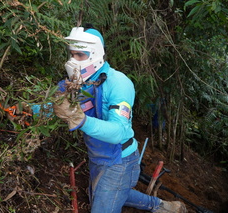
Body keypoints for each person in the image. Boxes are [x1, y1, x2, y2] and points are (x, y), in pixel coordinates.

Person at [53, 25, 187, 213]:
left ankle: (160, 206)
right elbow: (49, 105)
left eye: (79, 55)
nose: (72, 61)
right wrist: (26, 109)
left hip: (120, 160)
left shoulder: (118, 83)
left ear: (95, 55)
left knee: (102, 204)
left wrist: (79, 119)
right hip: (97, 155)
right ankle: (162, 206)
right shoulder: (74, 83)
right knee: (100, 195)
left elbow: (118, 132)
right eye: (71, 54)